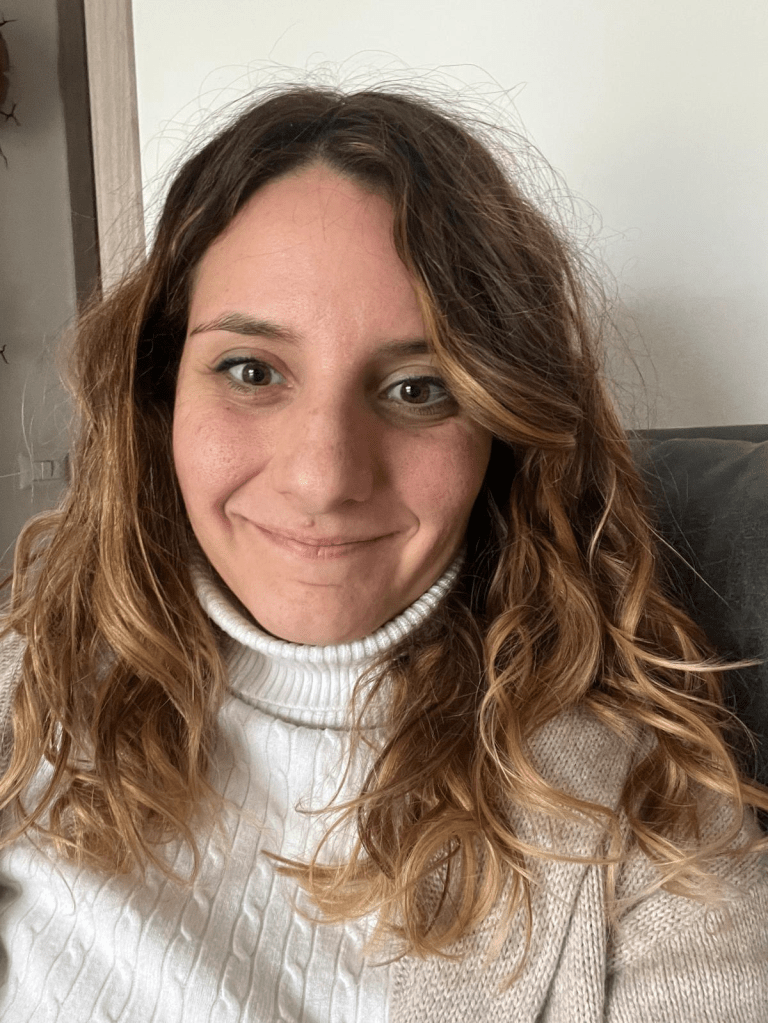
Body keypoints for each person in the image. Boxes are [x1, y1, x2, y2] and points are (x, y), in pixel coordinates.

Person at [0, 84, 766, 1022]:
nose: (323, 477)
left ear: (501, 430)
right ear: (159, 397)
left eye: (416, 389)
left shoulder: (651, 820)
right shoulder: (23, 702)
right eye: (252, 371)